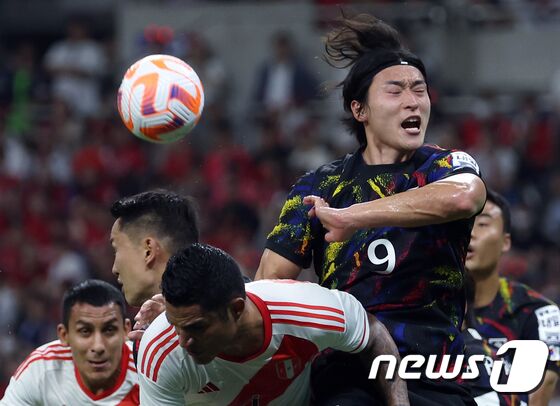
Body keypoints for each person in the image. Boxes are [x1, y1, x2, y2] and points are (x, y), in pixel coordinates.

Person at [255, 12, 486, 406]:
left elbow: (463, 197)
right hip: (348, 373)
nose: (413, 101)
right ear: (359, 110)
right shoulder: (320, 185)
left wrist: (350, 217)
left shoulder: (444, 167)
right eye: (395, 91)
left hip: (433, 373)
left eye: (419, 89)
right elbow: (268, 285)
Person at [138, 243, 409, 406]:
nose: (184, 341)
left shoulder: (304, 311)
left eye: (196, 327)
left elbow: (372, 334)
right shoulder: (162, 353)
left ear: (236, 309)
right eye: (175, 324)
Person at [465, 189, 560, 405]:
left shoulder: (538, 313)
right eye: (463, 225)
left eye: (482, 224)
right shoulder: (429, 306)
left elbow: (535, 397)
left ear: (506, 242)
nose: (470, 233)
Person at [0, 279, 139, 405]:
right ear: (64, 335)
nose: (98, 346)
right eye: (85, 331)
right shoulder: (42, 369)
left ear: (125, 330)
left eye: (109, 330)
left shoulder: (146, 368)